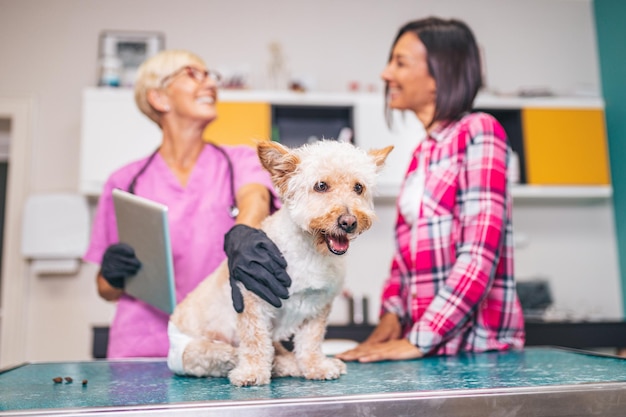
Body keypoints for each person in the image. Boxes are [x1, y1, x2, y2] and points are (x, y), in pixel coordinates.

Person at [336, 17, 525, 363]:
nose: (385, 74)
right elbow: (404, 257)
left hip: (475, 351)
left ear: (441, 73)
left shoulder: (480, 131)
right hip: (433, 350)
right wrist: (390, 320)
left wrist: (419, 340)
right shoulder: (422, 154)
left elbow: (479, 255)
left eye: (400, 62)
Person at [84, 49, 290, 358]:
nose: (210, 83)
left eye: (210, 75)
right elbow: (105, 289)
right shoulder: (125, 182)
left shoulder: (238, 160)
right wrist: (112, 273)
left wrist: (243, 232)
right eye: (194, 74)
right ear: (159, 98)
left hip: (221, 341)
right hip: (142, 349)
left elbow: (256, 197)